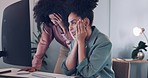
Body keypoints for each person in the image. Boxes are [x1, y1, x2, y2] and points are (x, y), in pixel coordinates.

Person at [61, 0, 115, 78]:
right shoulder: (75, 40)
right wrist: (77, 42)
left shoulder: (103, 42)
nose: (70, 28)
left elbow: (86, 73)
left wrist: (81, 42)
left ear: (86, 23)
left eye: (73, 23)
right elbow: (67, 70)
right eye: (69, 24)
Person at [20, 0, 72, 73]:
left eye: (56, 19)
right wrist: (35, 66)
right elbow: (44, 42)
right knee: (57, 75)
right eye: (51, 19)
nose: (54, 22)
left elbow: (75, 42)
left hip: (81, 48)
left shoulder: (73, 21)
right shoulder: (50, 24)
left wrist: (63, 27)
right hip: (65, 49)